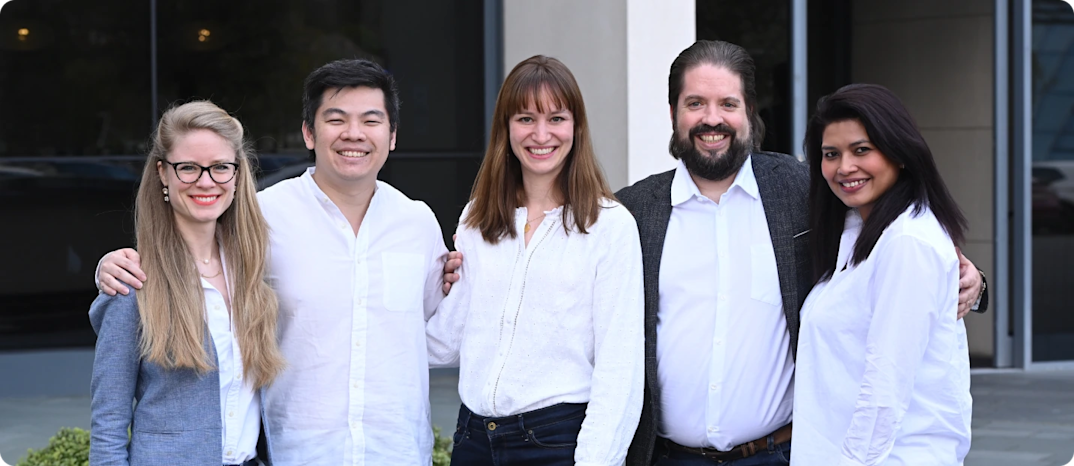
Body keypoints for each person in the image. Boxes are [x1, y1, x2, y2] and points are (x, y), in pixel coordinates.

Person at [610, 40, 985, 465]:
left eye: (728, 103)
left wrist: (973, 281)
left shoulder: (802, 190)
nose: (712, 118)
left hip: (778, 454)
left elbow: (900, 249)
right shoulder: (632, 212)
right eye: (695, 103)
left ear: (750, 111)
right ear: (673, 113)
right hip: (668, 457)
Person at [94, 59, 450, 465]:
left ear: (393, 135)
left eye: (371, 120)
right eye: (336, 119)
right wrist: (110, 267)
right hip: (297, 455)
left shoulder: (418, 223)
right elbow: (183, 251)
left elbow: (438, 332)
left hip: (398, 453)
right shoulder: (263, 218)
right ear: (308, 133)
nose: (354, 133)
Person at [425, 55, 644, 466]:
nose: (541, 134)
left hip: (556, 442)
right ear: (506, 128)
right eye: (526, 119)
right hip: (474, 439)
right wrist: (420, 290)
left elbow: (620, 367)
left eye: (556, 118)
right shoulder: (478, 217)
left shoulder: (610, 226)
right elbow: (446, 341)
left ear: (576, 127)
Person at [90, 100, 285, 466]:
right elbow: (108, 426)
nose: (206, 181)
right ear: (163, 173)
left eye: (220, 167)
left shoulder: (255, 271)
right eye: (189, 168)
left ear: (237, 174)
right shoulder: (133, 281)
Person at [791, 83, 972, 465]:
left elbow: (885, 388)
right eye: (831, 154)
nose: (844, 167)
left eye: (861, 150)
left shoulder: (908, 242)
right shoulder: (856, 232)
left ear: (899, 152)